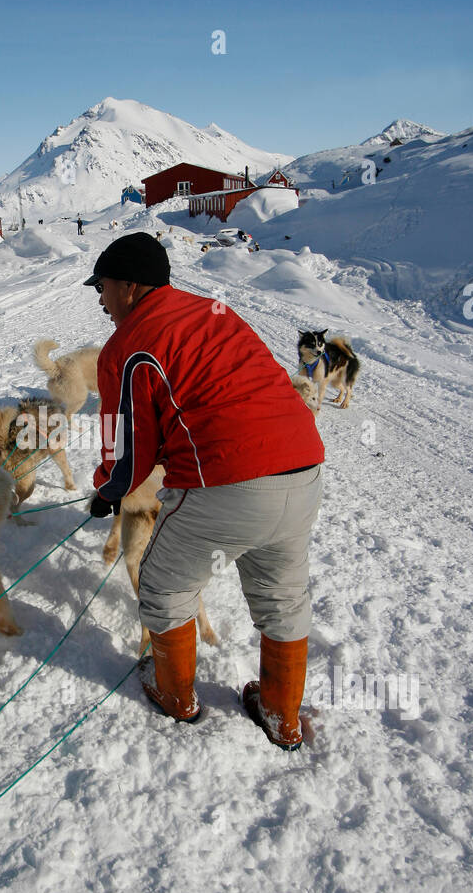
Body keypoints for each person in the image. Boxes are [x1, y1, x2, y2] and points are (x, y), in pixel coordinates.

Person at [84, 232, 324, 749]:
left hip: (227, 482)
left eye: (101, 287)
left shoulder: (125, 348)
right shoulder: (217, 312)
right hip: (304, 468)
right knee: (283, 598)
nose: (100, 300)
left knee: (164, 587)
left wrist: (107, 492)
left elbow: (128, 455)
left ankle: (176, 696)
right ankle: (282, 715)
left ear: (128, 286)